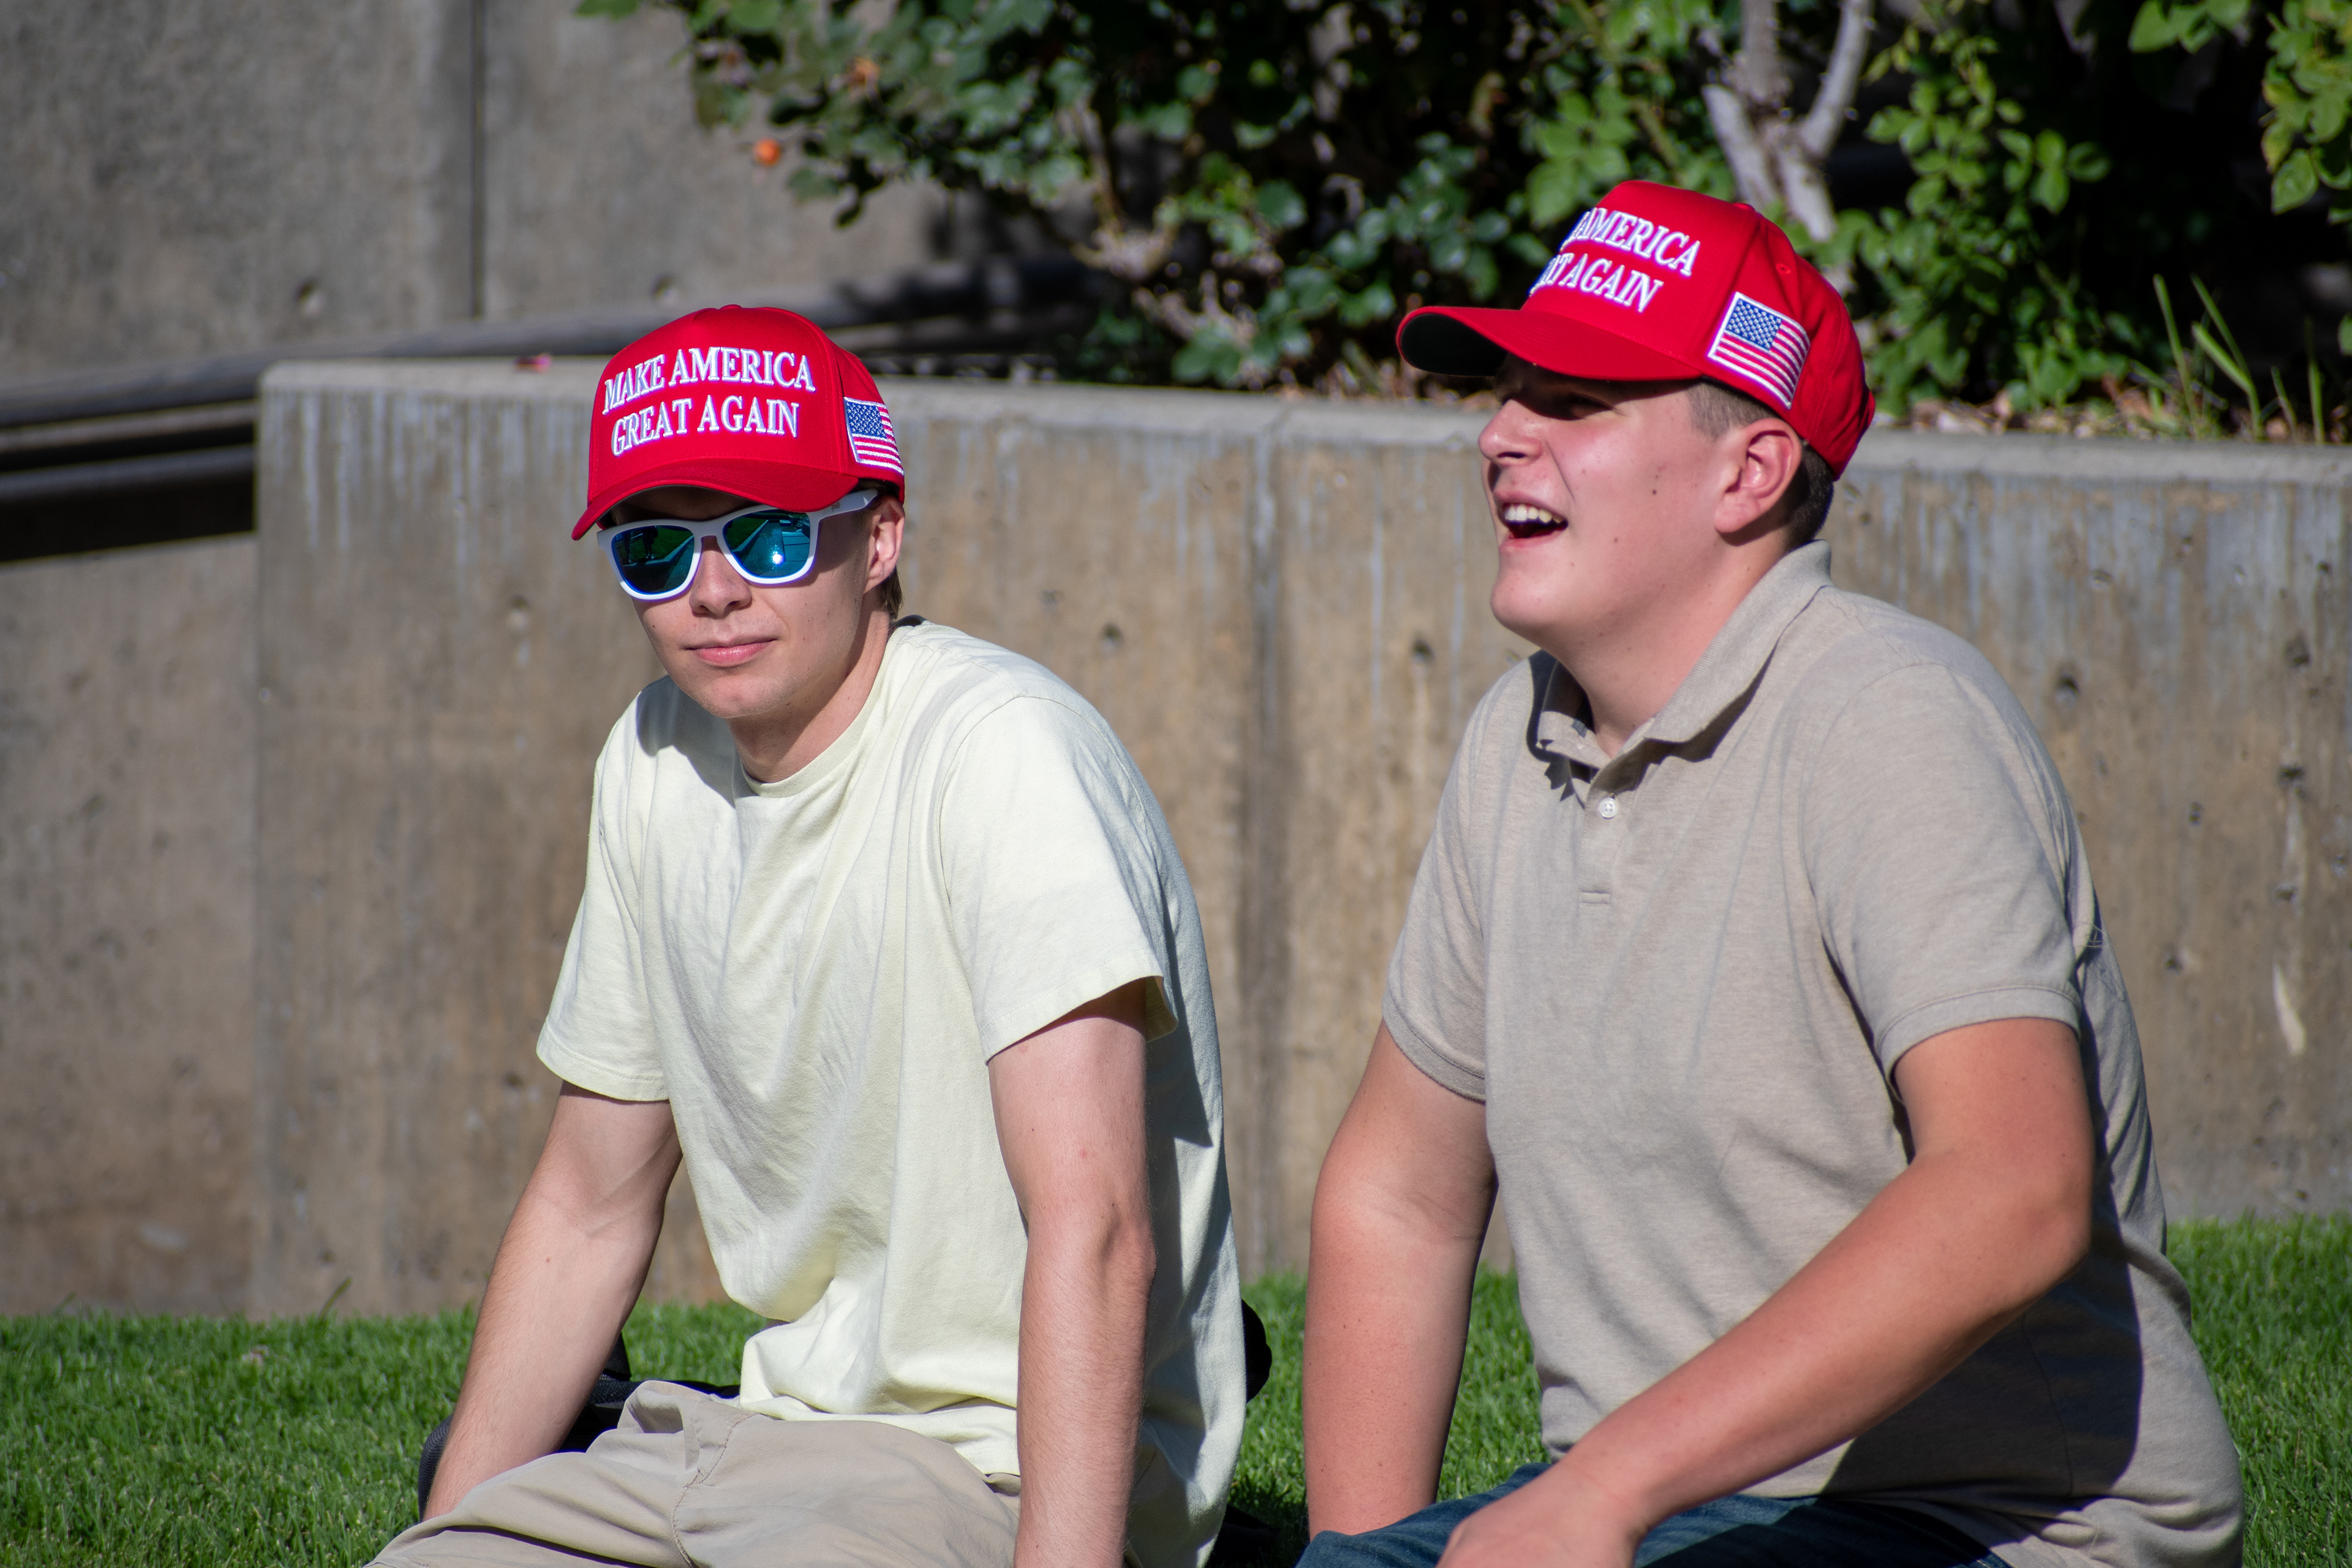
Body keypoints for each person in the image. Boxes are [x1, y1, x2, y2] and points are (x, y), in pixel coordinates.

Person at [1298, 182, 2242, 1568]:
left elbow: (2014, 1186)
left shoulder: (1886, 713)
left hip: (2000, 1525)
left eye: (1573, 398)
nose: (1501, 432)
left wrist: (1603, 1489)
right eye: (1508, 390)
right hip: (1678, 1510)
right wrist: (1363, 1553)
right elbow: (1398, 1193)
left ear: (1751, 469)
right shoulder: (1518, 736)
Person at [371, 306, 1245, 1568]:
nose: (714, 591)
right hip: (751, 1438)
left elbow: (1097, 1221)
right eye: (658, 549)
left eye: (772, 537)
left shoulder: (1003, 755)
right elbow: (588, 1203)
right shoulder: (654, 754)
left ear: (879, 536)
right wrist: (448, 1523)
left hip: (994, 1465)